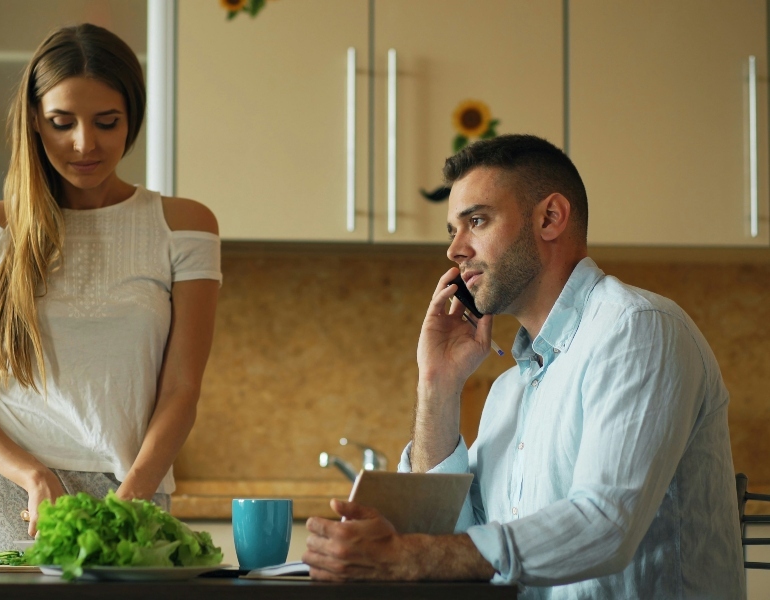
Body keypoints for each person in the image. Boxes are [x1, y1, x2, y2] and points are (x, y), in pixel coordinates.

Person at [301, 134, 744, 598]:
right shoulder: (508, 391)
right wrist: (437, 386)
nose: (455, 250)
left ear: (550, 218)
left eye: (476, 220)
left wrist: (406, 556)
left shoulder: (637, 329)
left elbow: (605, 524)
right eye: (452, 230)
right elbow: (452, 546)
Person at [0, 23, 221, 563]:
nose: (85, 143)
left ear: (131, 119)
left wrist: (130, 502)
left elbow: (182, 387)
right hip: (10, 493)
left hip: (133, 490)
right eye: (63, 123)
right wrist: (32, 475)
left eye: (107, 122)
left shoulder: (183, 226)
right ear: (36, 121)